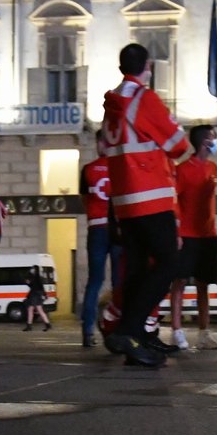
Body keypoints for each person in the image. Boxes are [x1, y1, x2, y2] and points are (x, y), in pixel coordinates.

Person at [99, 42, 191, 368]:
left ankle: (133, 337)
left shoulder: (112, 104)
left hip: (124, 200)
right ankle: (129, 328)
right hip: (151, 194)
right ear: (147, 66)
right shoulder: (144, 99)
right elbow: (179, 145)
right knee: (168, 264)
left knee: (137, 268)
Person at [169, 124, 217, 351]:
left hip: (208, 235)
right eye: (213, 137)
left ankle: (204, 333)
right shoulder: (182, 170)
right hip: (187, 235)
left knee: (203, 284)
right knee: (179, 282)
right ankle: (177, 331)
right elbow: (174, 202)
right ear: (204, 142)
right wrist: (177, 232)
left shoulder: (214, 168)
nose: (216, 140)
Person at [79, 131, 122, 348]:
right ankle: (115, 326)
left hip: (96, 228)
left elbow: (85, 200)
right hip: (116, 229)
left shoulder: (88, 169)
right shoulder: (120, 168)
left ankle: (88, 332)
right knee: (118, 281)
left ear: (98, 144)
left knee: (94, 281)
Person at [22, 263, 52, 331]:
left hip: (34, 295)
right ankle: (47, 324)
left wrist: (28, 281)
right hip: (37, 295)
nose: (32, 270)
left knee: (31, 309)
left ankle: (29, 326)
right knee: (39, 310)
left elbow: (32, 284)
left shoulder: (35, 278)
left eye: (33, 269)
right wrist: (45, 294)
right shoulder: (37, 277)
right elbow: (41, 287)